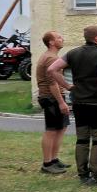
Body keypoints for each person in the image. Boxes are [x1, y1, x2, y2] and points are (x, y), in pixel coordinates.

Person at [47, 26, 97, 186]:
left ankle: (83, 174)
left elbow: (52, 69)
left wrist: (67, 85)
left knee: (82, 140)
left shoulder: (73, 53)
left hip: (79, 102)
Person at [36, 31, 71, 175]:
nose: (62, 39)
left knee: (60, 128)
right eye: (58, 38)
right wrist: (61, 102)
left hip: (53, 97)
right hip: (51, 98)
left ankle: (54, 159)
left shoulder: (52, 57)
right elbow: (52, 83)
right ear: (51, 42)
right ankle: (47, 163)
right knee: (51, 130)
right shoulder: (50, 58)